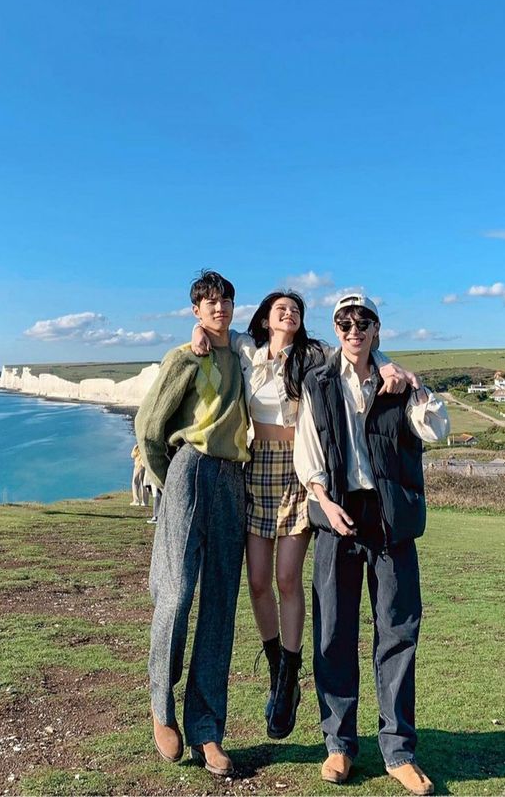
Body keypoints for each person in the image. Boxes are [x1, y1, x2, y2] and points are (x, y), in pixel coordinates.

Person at [192, 291, 413, 741]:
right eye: (281, 309)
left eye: (295, 309)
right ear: (267, 319)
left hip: (299, 472)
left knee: (287, 579)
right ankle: (279, 669)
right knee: (257, 581)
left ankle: (291, 672)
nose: (289, 314)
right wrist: (197, 330)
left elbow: (358, 348)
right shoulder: (248, 350)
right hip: (256, 469)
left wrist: (388, 363)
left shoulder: (313, 355)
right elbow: (215, 334)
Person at [294, 293, 450, 794]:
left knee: (398, 632)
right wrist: (322, 498)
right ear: (336, 329)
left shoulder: (398, 383)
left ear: (376, 329)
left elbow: (437, 429)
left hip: (390, 519)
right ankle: (338, 745)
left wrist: (417, 384)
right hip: (337, 514)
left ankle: (398, 751)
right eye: (345, 322)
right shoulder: (318, 381)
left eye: (363, 322)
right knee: (334, 632)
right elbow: (308, 449)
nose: (354, 329)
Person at [135, 270, 249, 778]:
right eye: (209, 301)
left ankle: (206, 729)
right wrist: (171, 478)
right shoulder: (184, 357)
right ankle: (162, 706)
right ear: (196, 311)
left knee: (221, 604)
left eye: (225, 299)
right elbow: (149, 425)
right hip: (189, 467)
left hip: (234, 478)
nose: (219, 307)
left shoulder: (245, 354)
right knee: (178, 592)